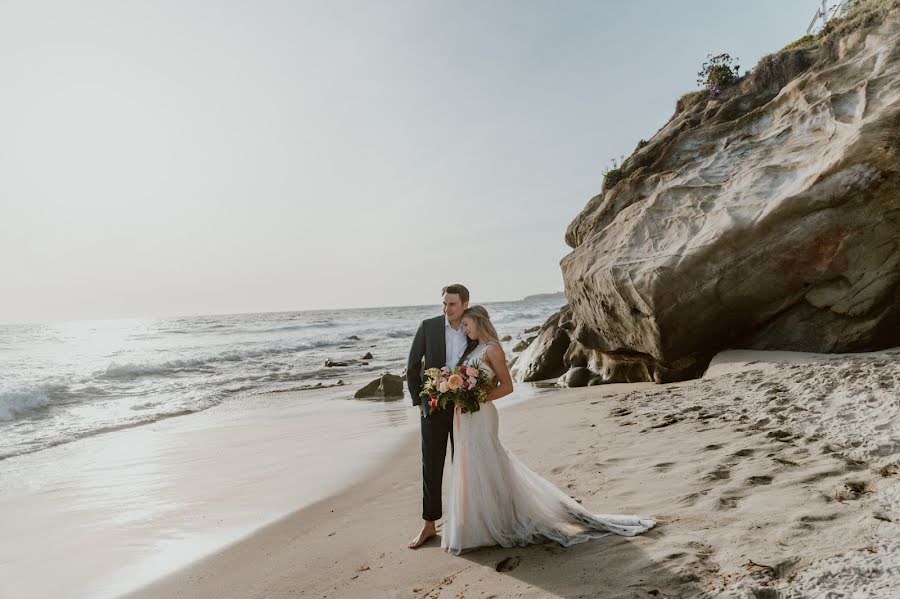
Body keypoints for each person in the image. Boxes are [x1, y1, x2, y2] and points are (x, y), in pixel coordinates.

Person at [441, 305, 656, 555]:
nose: (464, 329)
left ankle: (495, 522)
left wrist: (477, 398)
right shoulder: (473, 349)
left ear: (478, 322)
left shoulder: (492, 349)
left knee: (485, 460)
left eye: (467, 324)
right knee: (470, 463)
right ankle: (477, 521)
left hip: (481, 414)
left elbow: (507, 386)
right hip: (465, 418)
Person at [406, 284, 476, 549]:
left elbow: (482, 365)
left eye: (452, 304)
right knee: (431, 467)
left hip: (464, 409)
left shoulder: (473, 329)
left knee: (464, 466)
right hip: (433, 407)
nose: (447, 309)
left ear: (465, 304)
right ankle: (429, 525)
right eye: (444, 304)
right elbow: (412, 367)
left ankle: (464, 521)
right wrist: (420, 403)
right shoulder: (429, 327)